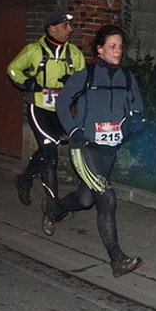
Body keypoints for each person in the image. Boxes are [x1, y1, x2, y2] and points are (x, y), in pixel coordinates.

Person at [46, 24, 145, 278]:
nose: (118, 51)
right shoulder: (86, 75)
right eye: (112, 46)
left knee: (86, 199)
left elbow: (137, 110)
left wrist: (133, 123)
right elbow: (63, 102)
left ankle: (54, 209)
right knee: (107, 197)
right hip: (85, 146)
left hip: (108, 149)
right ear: (99, 49)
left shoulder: (127, 78)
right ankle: (117, 260)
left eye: (121, 46)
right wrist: (74, 129)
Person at [7, 12, 86, 208]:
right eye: (66, 25)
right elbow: (13, 69)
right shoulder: (33, 50)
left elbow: (85, 81)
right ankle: (53, 206)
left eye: (70, 25)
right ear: (52, 28)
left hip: (61, 112)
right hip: (39, 108)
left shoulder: (74, 54)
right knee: (51, 154)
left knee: (45, 150)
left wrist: (74, 84)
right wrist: (27, 84)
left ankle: (24, 180)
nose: (71, 29)